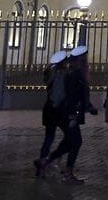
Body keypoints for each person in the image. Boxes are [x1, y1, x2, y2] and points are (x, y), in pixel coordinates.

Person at [38, 45, 96, 184]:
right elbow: (75, 96)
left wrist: (88, 107)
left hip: (70, 114)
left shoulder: (72, 73)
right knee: (75, 142)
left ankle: (48, 162)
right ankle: (65, 171)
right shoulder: (76, 75)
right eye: (85, 59)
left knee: (71, 141)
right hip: (71, 115)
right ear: (81, 60)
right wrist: (78, 112)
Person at [35, 50, 69, 175]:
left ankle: (43, 160)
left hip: (49, 108)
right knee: (70, 135)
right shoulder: (60, 74)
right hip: (57, 110)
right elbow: (58, 94)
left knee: (49, 137)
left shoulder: (51, 73)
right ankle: (53, 158)